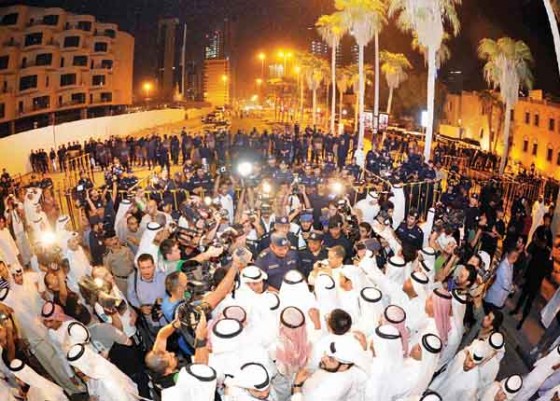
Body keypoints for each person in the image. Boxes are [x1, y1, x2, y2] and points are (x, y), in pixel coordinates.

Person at [484, 247, 519, 312]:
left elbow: (509, 279)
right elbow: (506, 285)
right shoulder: (504, 267)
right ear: (515, 258)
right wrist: (513, 288)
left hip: (500, 296)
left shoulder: (510, 264)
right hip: (495, 297)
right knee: (489, 312)